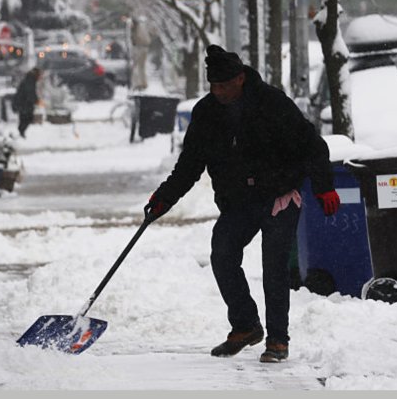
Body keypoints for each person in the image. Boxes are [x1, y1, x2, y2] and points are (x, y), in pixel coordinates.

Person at [144, 44, 337, 364]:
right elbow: (190, 163)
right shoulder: (206, 113)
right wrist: (164, 198)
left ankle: (277, 340)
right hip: (239, 201)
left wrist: (324, 187)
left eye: (224, 85)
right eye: (213, 86)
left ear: (240, 79)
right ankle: (246, 325)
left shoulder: (272, 103)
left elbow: (312, 145)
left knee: (274, 266)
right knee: (222, 254)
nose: (218, 91)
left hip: (279, 196)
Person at [13, 66, 42, 137]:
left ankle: (21, 132)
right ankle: (21, 132)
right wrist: (36, 100)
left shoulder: (30, 79)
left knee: (25, 118)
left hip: (24, 103)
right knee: (27, 118)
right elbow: (30, 92)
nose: (40, 77)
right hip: (24, 103)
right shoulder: (30, 80)